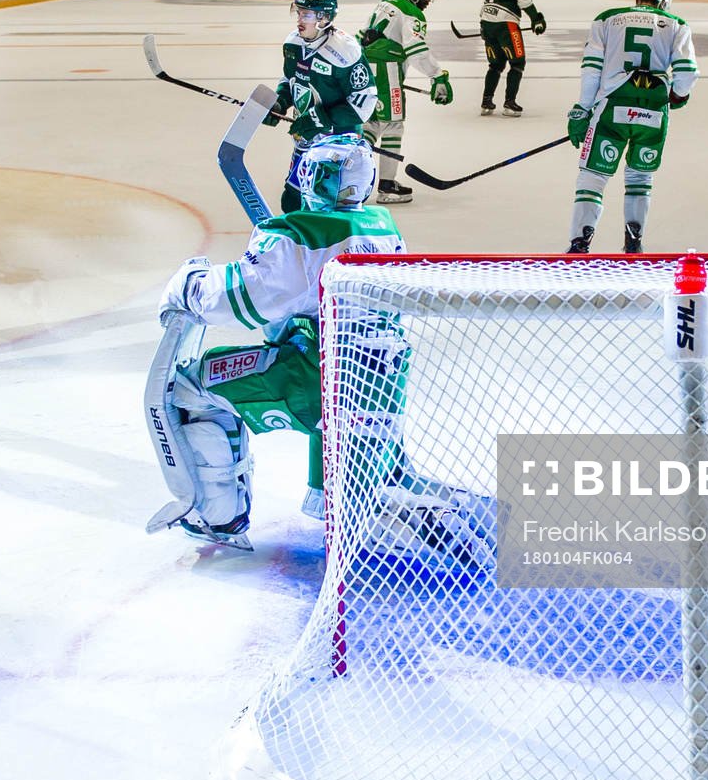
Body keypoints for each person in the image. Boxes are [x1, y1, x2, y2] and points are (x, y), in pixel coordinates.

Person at [151, 134, 486, 561]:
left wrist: (188, 283)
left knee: (193, 388)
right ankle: (450, 519)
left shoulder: (305, 234)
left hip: (319, 377)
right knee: (339, 499)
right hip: (380, 381)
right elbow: (305, 300)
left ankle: (218, 516)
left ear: (314, 176)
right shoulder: (381, 225)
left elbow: (242, 298)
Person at [565, 0, 698, 254]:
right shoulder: (677, 25)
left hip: (611, 108)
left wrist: (582, 109)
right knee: (639, 179)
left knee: (592, 177)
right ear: (664, 1)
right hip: (653, 112)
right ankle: (633, 243)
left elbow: (592, 69)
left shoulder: (607, 18)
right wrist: (677, 95)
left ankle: (580, 244)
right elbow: (687, 72)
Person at [266, 0, 376, 213]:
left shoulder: (345, 50)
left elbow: (365, 101)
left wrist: (321, 119)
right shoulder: (293, 43)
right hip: (305, 141)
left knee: (332, 207)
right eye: (298, 12)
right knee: (293, 201)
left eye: (306, 14)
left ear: (324, 18)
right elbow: (289, 78)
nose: (299, 19)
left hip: (340, 145)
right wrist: (280, 103)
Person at [358, 0, 452, 204]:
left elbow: (362, 35)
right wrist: (437, 76)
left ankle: (348, 174)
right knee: (393, 124)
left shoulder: (387, 3)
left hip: (366, 68)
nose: (428, 0)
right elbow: (416, 49)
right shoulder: (412, 12)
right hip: (387, 69)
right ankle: (387, 186)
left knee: (371, 122)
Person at [477, 0, 546, 116]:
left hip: (487, 22)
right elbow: (524, 0)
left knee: (496, 65)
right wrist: (536, 19)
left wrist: (484, 27)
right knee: (517, 63)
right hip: (506, 24)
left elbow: (486, 2)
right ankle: (509, 103)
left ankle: (486, 102)